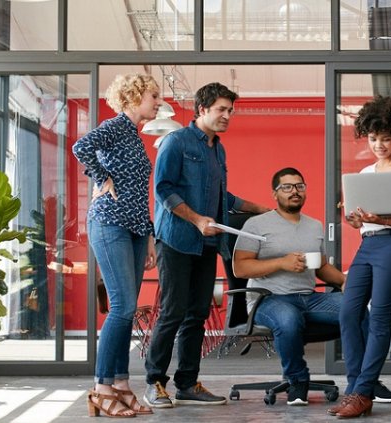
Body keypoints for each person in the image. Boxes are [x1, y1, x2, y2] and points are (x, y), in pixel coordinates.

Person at [143, 82, 269, 408]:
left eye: (230, 111)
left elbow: (220, 197)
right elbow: (164, 189)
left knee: (198, 314)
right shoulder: (176, 142)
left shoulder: (218, 149)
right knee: (172, 312)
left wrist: (256, 208)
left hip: (208, 245)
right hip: (176, 240)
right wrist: (198, 219)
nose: (227, 116)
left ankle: (187, 383)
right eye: (221, 110)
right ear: (202, 110)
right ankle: (154, 382)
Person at [330, 95, 391, 418]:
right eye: (373, 138)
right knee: (348, 311)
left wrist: (380, 219)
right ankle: (358, 386)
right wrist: (357, 220)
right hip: (369, 244)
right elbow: (360, 221)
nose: (379, 145)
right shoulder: (367, 172)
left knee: (380, 316)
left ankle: (361, 392)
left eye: (386, 138)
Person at [72, 73, 160, 418]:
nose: (158, 101)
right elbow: (80, 147)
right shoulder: (116, 126)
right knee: (122, 307)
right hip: (109, 223)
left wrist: (150, 236)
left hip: (137, 228)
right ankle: (101, 388)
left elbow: (141, 193)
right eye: (153, 95)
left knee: (127, 309)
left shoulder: (136, 137)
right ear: (133, 98)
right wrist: (101, 177)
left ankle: (121, 384)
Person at [233, 167, 346, 406]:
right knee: (288, 319)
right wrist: (281, 263)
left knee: (356, 308)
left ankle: (364, 382)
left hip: (309, 297)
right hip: (269, 299)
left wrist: (346, 282)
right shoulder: (256, 224)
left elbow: (322, 267)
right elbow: (240, 268)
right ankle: (298, 381)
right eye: (287, 187)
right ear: (275, 194)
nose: (294, 191)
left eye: (299, 186)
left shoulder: (314, 226)